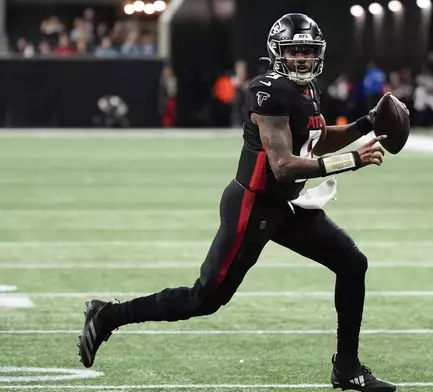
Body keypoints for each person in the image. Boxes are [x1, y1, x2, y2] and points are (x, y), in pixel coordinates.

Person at [77, 13, 399, 392]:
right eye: (294, 51)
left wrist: (365, 124)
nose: (301, 59)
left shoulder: (307, 90)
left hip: (287, 206)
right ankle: (109, 315)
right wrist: (353, 160)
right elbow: (282, 166)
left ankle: (347, 368)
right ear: (277, 53)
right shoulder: (268, 90)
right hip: (254, 205)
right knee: (205, 298)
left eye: (308, 51)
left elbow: (317, 138)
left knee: (351, 263)